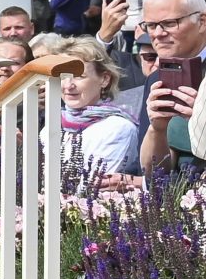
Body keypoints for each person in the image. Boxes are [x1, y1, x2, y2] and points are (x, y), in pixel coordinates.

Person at [141, 0, 206, 173]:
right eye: (151, 25)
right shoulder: (156, 80)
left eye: (170, 23)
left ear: (202, 21)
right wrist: (157, 131)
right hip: (178, 199)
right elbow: (154, 175)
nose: (158, 34)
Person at [55, 34, 142, 180]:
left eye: (79, 76)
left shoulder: (118, 128)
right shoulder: (52, 125)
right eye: (63, 76)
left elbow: (92, 188)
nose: (68, 85)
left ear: (104, 79)